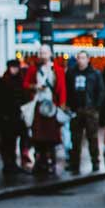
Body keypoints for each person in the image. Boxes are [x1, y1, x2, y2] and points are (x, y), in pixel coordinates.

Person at [24, 45, 67, 175]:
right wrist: (35, 86)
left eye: (45, 53)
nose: (43, 56)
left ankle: (51, 162)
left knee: (52, 137)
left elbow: (62, 88)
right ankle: (40, 161)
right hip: (39, 103)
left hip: (51, 106)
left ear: (50, 54)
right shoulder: (33, 69)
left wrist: (62, 105)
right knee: (38, 136)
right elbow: (25, 84)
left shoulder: (57, 69)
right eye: (41, 53)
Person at [66, 51, 105, 174]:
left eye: (83, 58)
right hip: (76, 109)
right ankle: (75, 164)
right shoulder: (71, 73)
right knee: (75, 138)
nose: (81, 60)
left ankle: (95, 162)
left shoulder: (95, 74)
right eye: (79, 58)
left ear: (88, 59)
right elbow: (68, 89)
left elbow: (101, 91)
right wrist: (70, 106)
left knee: (92, 137)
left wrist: (95, 107)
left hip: (90, 109)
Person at [0, 60, 28, 175]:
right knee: (7, 141)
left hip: (16, 115)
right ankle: (8, 163)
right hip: (6, 116)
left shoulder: (20, 80)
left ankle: (13, 162)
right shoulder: (3, 81)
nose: (14, 70)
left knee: (14, 140)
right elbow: (0, 99)